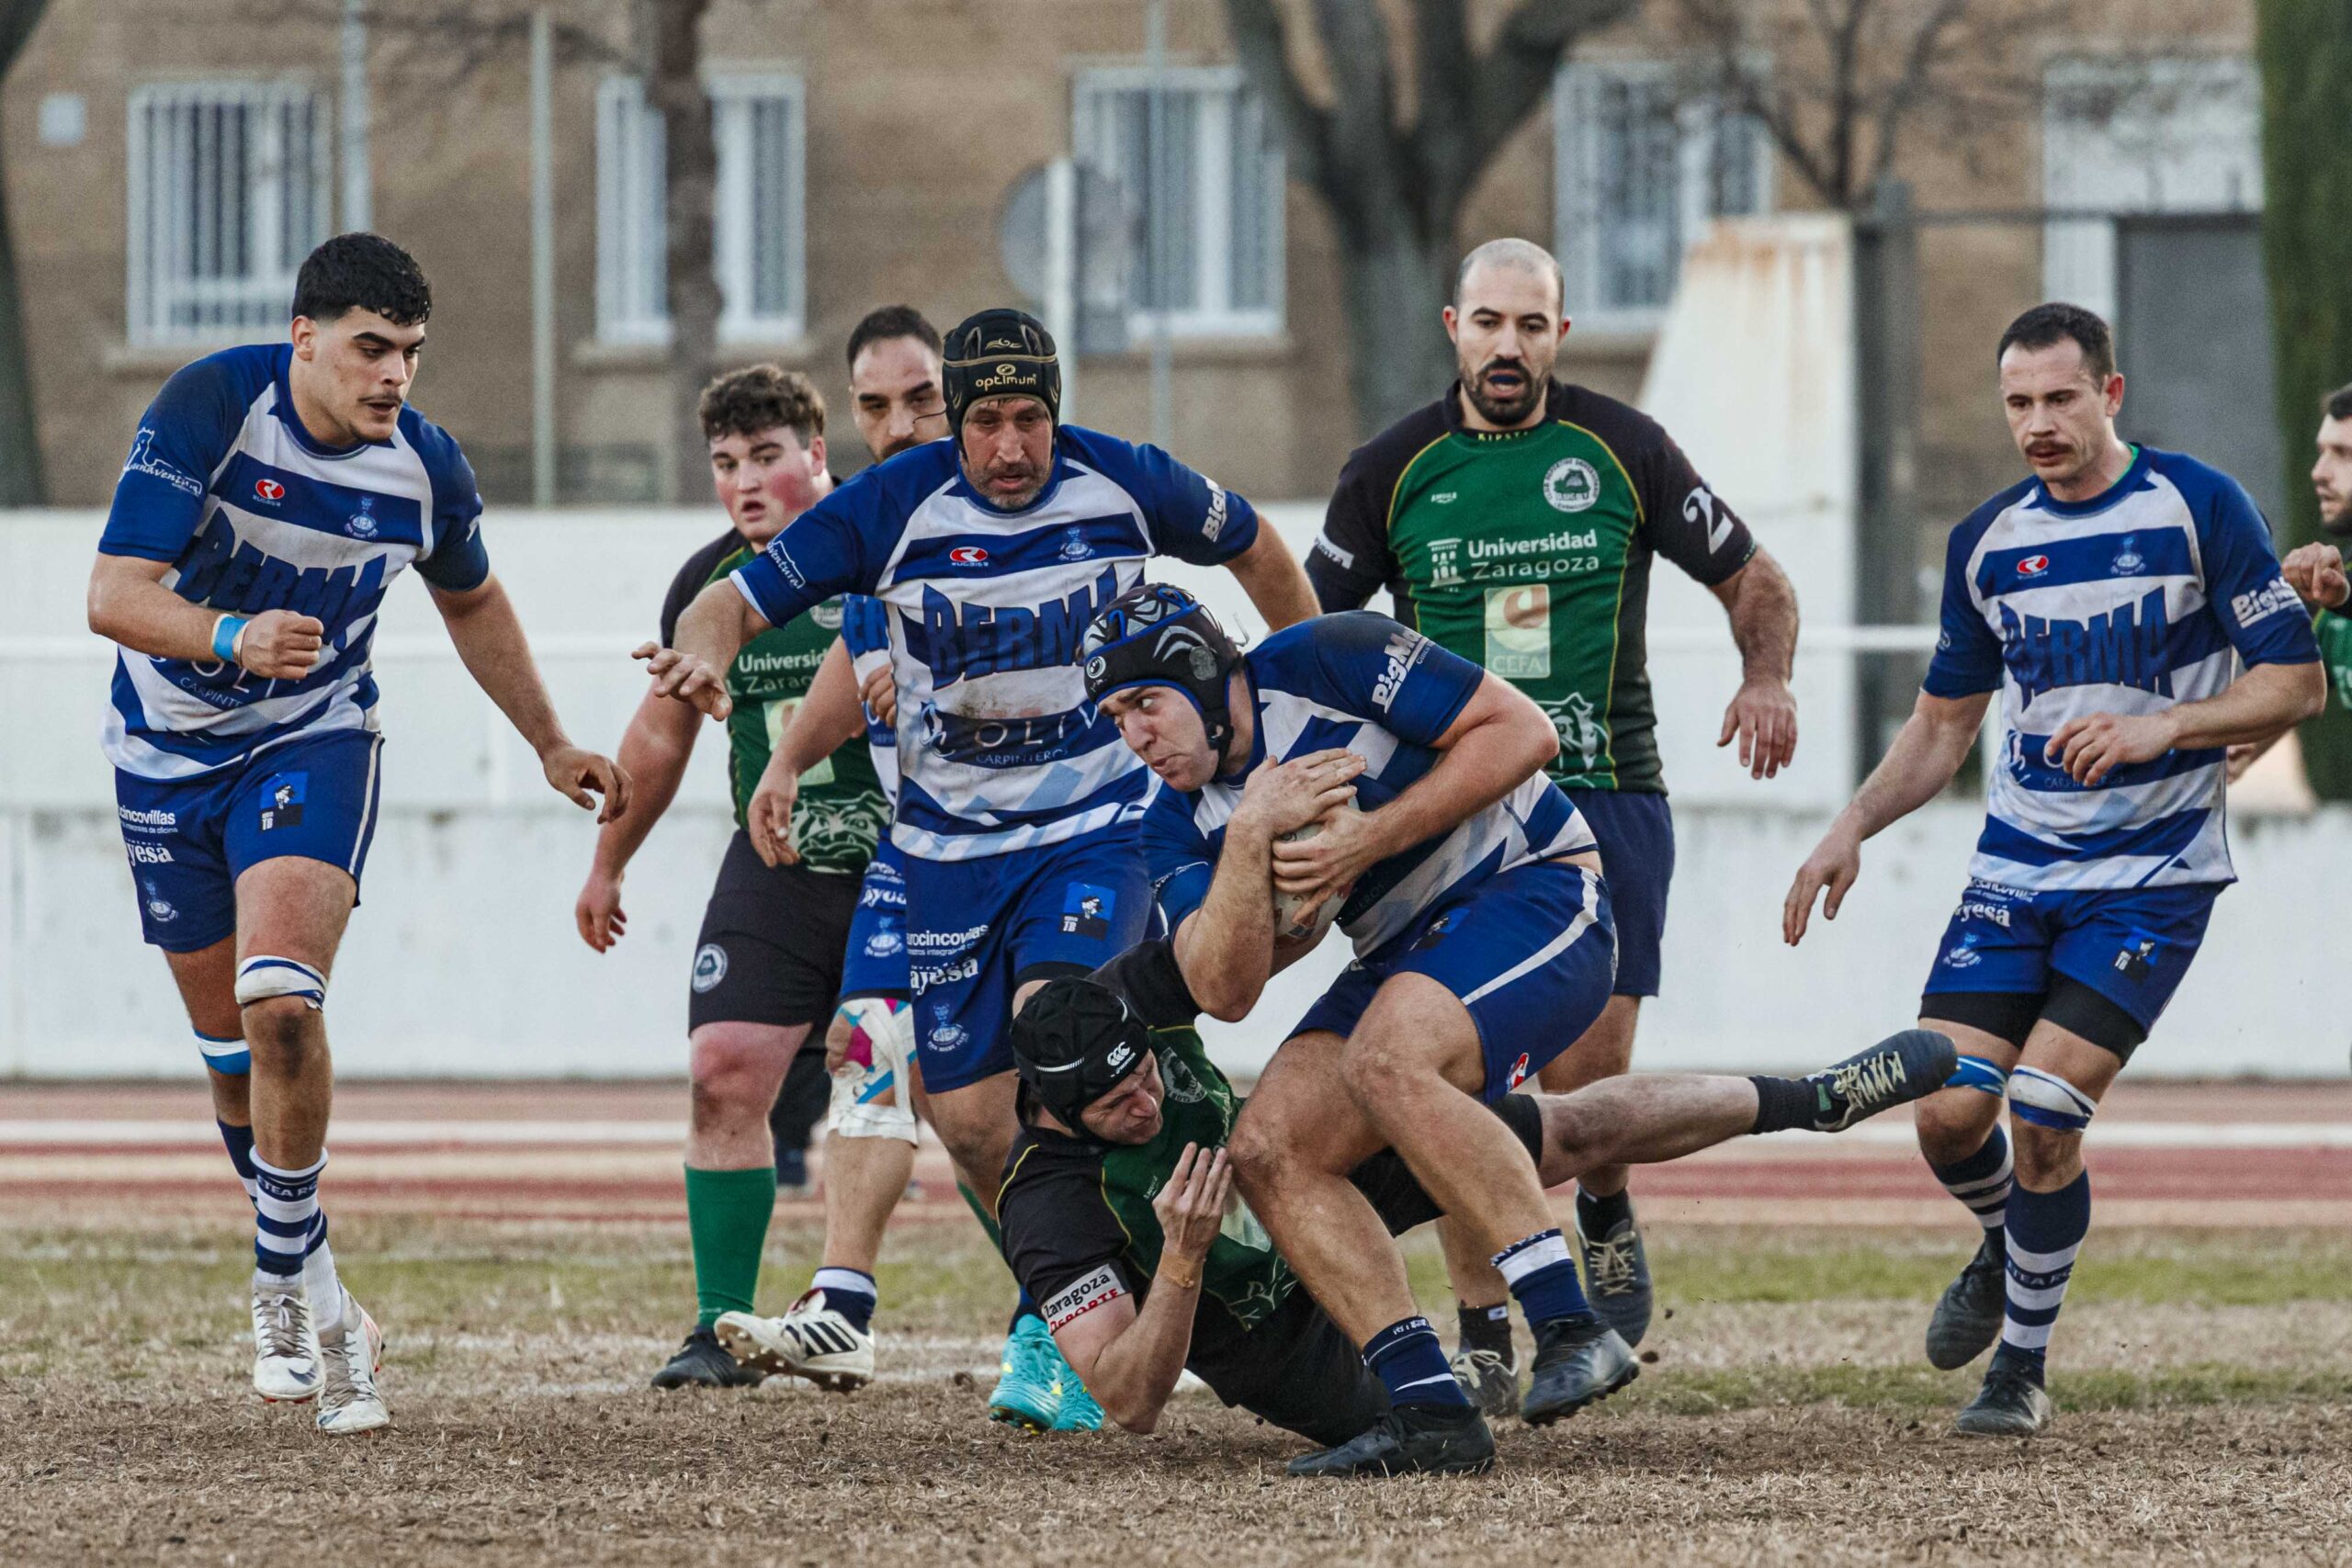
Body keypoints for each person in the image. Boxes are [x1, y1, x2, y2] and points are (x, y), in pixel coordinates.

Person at [637, 309, 1317, 1429]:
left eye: (1030, 420)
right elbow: (736, 599)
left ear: (1058, 410)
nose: (1010, 448)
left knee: (1067, 1040)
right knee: (970, 1124)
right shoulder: (891, 508)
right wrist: (704, 653)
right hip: (947, 852)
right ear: (958, 422)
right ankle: (1075, 1296)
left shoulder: (1126, 481)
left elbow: (1253, 543)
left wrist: (1295, 714)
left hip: (1097, 828)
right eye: (988, 423)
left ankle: (1143, 1309)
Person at [88, 232, 628, 1434]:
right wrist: (229, 636)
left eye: (412, 354)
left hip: (313, 741)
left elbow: (474, 599)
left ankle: (278, 1281)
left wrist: (548, 738)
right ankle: (325, 1283)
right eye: (371, 348)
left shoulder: (423, 469)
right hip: (166, 754)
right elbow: (112, 594)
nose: (393, 376)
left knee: (282, 1002)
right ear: (306, 339)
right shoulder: (214, 406)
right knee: (229, 1049)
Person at [1784, 303, 2323, 1438]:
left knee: (2040, 1113)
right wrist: (1851, 826)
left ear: (2110, 395)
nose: (2038, 422)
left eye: (2060, 398)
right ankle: (2002, 1242)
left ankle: (2018, 1369)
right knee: (1944, 1114)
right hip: (2014, 871)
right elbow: (1939, 729)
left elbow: (2295, 683)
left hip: (2155, 873)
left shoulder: (2197, 506)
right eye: (2019, 403)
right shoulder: (1984, 542)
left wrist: (2160, 728)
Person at [1305, 237, 1800, 1393]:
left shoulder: (1619, 449)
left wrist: (1766, 676)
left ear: (1560, 335)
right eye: (1489, 324)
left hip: (1608, 791)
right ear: (1453, 328)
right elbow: (1305, 632)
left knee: (1590, 1069)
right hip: (1461, 822)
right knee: (1473, 1078)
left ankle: (1609, 1195)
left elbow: (1755, 579)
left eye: (1532, 326)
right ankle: (1484, 1337)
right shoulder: (1390, 470)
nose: (1509, 347)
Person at [997, 941, 1953, 1468]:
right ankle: (1459, 1367)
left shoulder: (1138, 1001)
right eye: (1116, 1103)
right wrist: (1181, 1257)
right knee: (1452, 1431)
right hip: (1265, 1328)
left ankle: (1811, 1099)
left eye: (1151, 1073)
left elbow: (1244, 938)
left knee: (1564, 1130)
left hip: (1298, 1179)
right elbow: (1129, 1401)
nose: (1148, 1099)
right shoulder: (1048, 1204)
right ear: (1057, 1111)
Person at [1082, 581, 1623, 1473]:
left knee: (1386, 1061)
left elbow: (1526, 734)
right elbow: (1224, 991)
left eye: (1145, 701)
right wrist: (1252, 834)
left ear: (1205, 674)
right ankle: (1428, 1409)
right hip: (1407, 946)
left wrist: (1366, 838)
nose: (1133, 733)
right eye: (1114, 716)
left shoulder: (1328, 655)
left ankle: (1569, 1323)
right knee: (1266, 1147)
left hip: (1534, 884)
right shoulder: (1175, 823)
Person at [574, 366, 892, 1390]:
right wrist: (607, 863)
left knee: (966, 1100)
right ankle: (722, 1327)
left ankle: (1046, 1321)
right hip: (781, 865)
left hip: (907, 861)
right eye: (724, 464)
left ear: (817, 455)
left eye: (766, 458)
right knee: (721, 1073)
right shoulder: (707, 587)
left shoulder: (880, 548)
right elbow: (659, 743)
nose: (745, 482)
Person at [707, 306, 947, 1395]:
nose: (899, 427)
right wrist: (785, 760)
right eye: (876, 407)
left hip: (1055, 852)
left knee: (1028, 1100)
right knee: (869, 1045)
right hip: (920, 854)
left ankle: (1110, 1309)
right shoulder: (867, 532)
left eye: (922, 399)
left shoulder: (1056, 501)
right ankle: (840, 1297)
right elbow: (832, 654)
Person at [2228, 381, 2352, 778]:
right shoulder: (2337, 613)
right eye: (2321, 453)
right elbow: (2292, 684)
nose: (2318, 473)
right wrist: (2234, 745)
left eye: (2343, 454)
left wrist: (2343, 597)